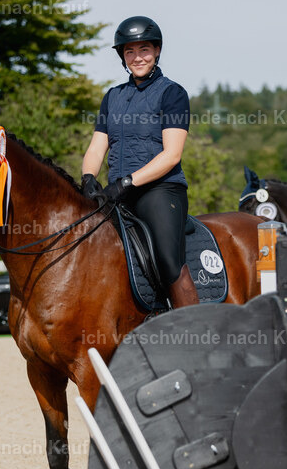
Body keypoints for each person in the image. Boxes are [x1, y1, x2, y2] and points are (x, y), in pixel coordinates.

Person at [80, 16, 198, 308]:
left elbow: (171, 155)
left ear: (157, 51)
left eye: (144, 49)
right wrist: (87, 178)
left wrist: (128, 182)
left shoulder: (172, 93)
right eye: (129, 52)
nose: (137, 58)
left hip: (160, 190)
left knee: (168, 260)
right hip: (115, 192)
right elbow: (96, 148)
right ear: (122, 56)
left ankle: (195, 327)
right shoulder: (113, 97)